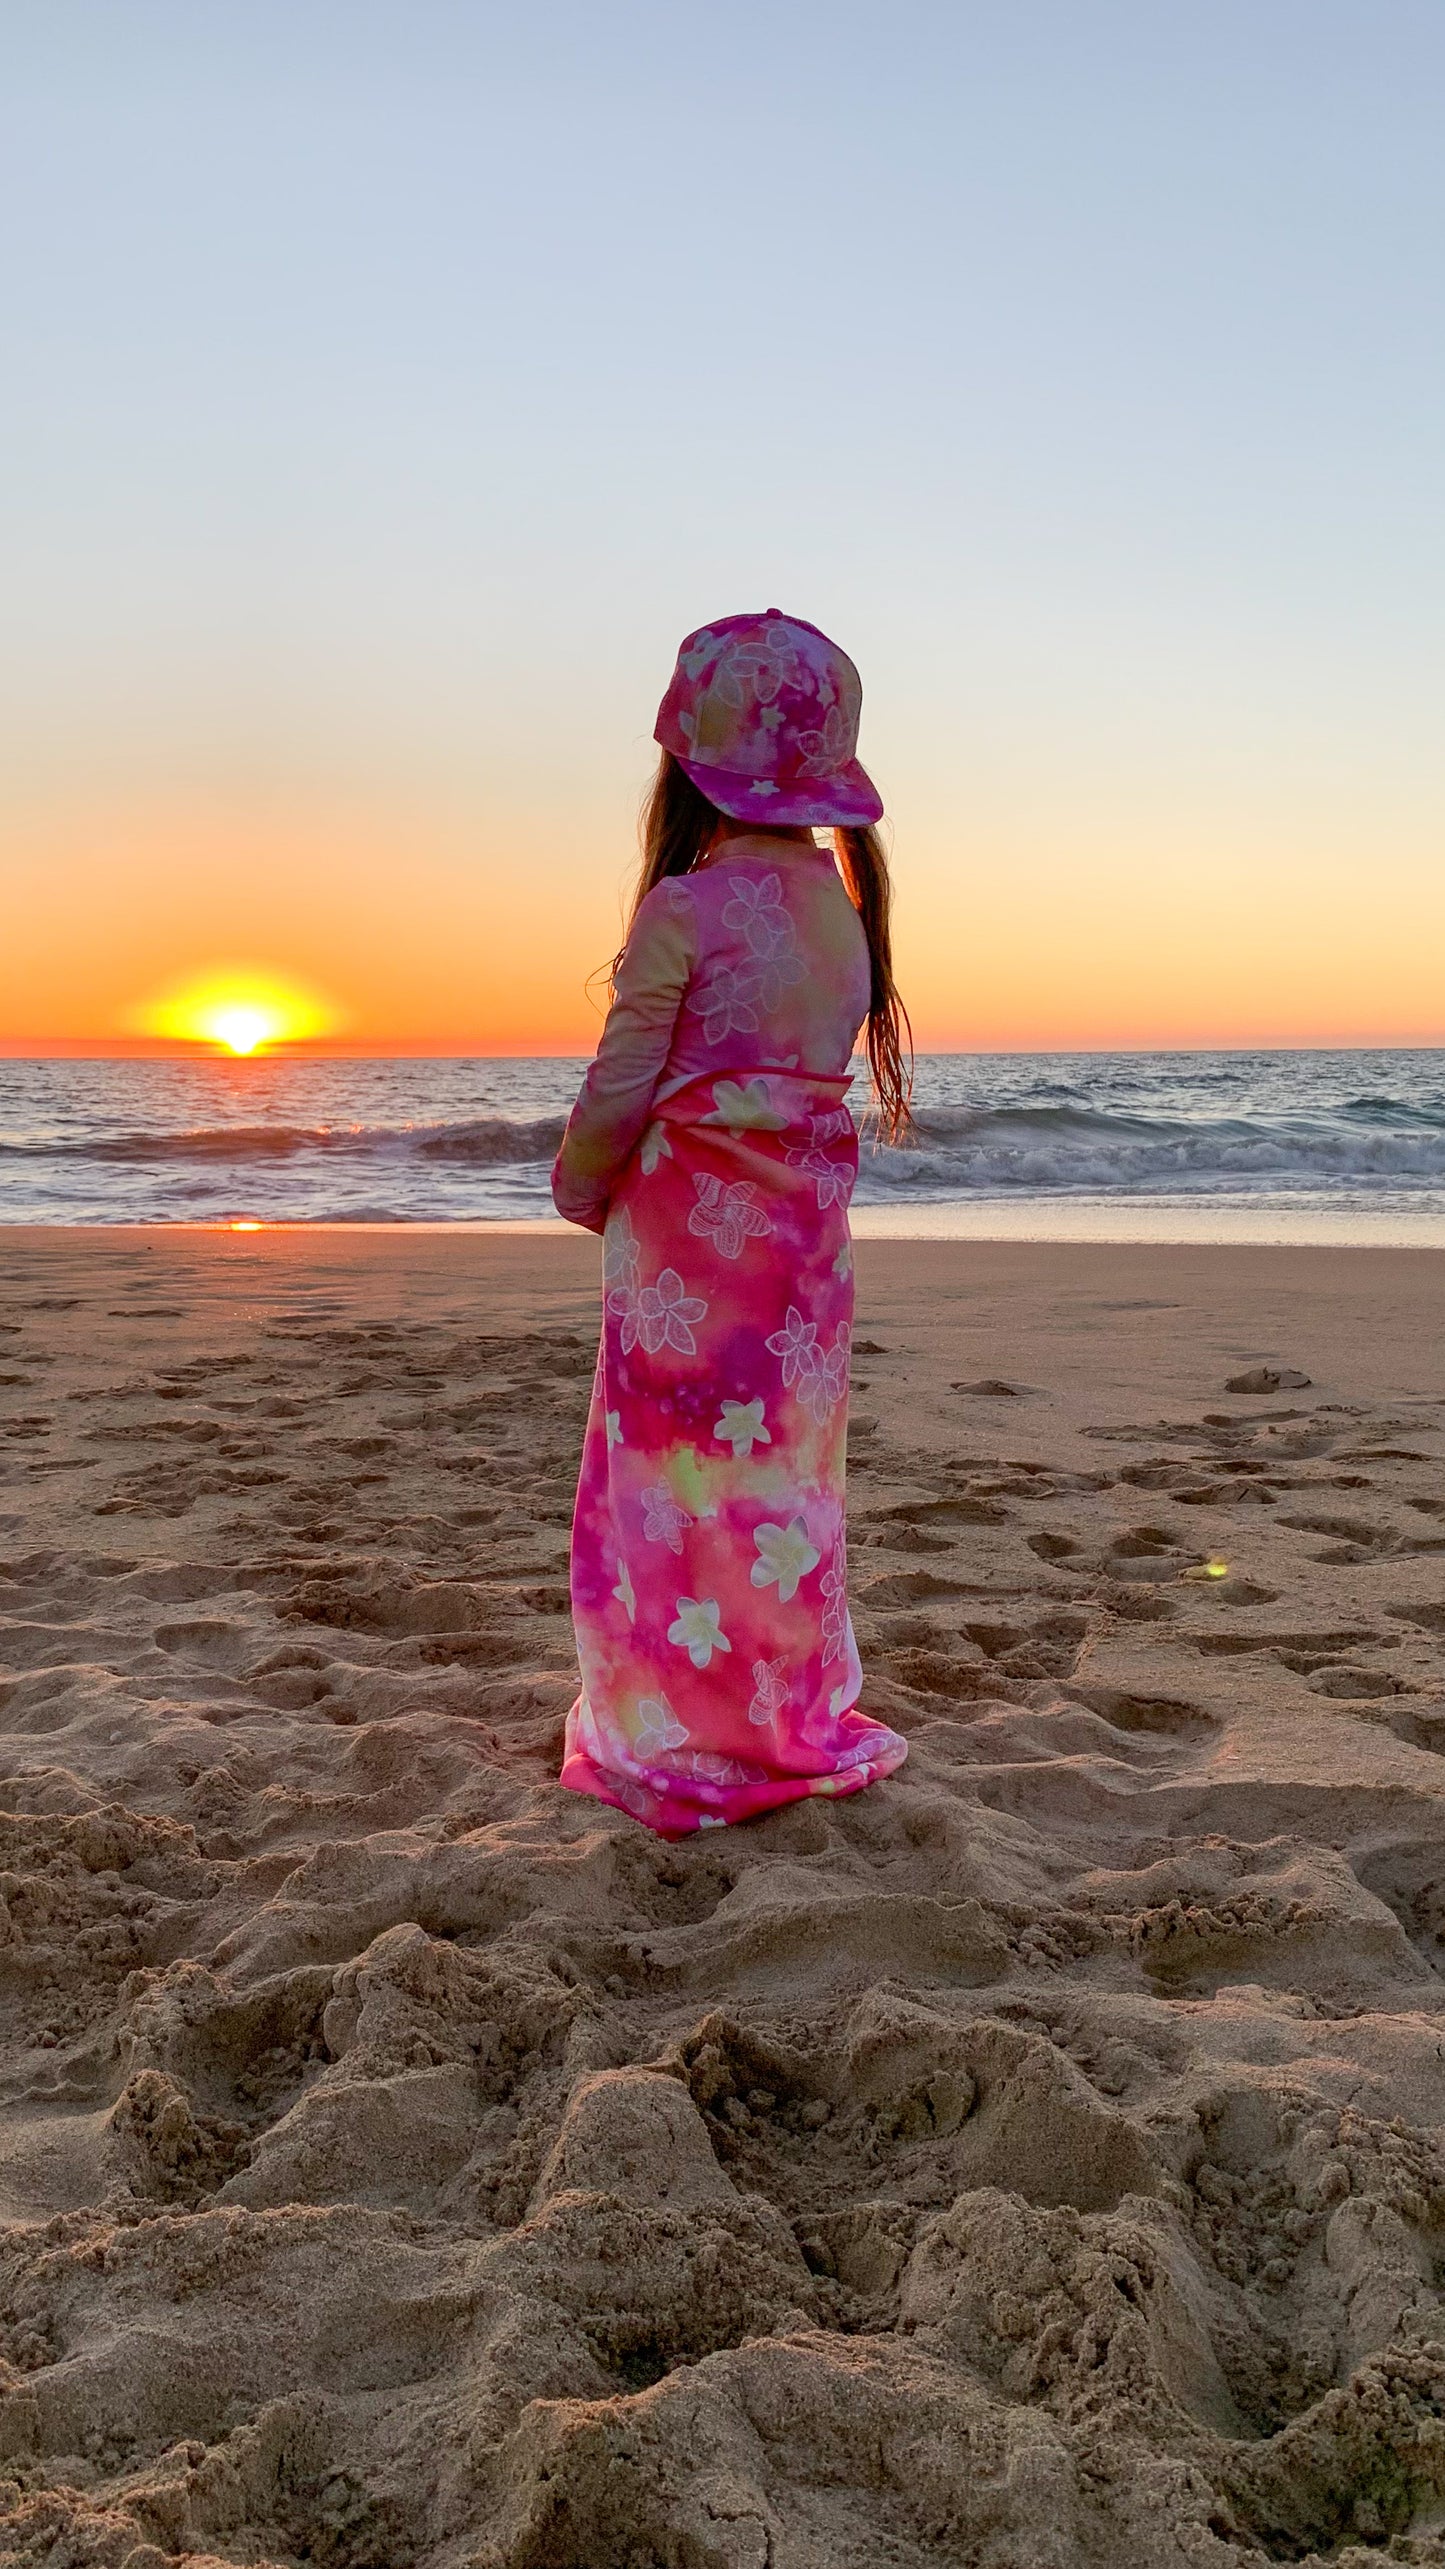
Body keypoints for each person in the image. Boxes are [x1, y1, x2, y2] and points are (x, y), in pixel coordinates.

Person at [551, 608, 912, 1835]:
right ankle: (771, 1704)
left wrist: (576, 1183)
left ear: (686, 762)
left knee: (667, 1481)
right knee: (780, 1482)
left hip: (679, 1260)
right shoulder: (844, 918)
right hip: (801, 1259)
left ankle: (671, 1724)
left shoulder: (683, 911)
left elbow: (619, 1085)